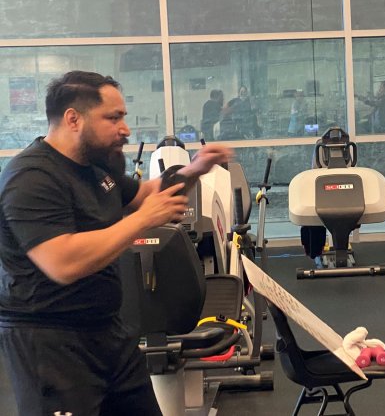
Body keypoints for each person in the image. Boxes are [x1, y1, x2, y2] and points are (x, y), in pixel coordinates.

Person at [0, 70, 233, 416]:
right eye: (113, 118)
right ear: (73, 119)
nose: (125, 129)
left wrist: (196, 169)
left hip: (108, 329)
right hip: (51, 341)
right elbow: (62, 262)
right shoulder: (32, 178)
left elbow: (146, 195)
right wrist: (142, 220)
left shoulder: (96, 167)